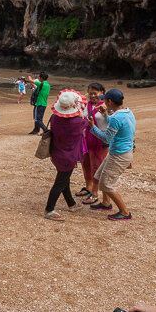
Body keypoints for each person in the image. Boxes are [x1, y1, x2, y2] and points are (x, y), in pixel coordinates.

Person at [85, 88, 135, 221]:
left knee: (107, 184)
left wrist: (92, 127)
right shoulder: (127, 112)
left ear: (110, 102)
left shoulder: (116, 117)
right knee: (100, 176)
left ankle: (125, 212)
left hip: (119, 155)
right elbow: (117, 125)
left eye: (105, 100)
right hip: (122, 152)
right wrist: (106, 115)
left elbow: (106, 139)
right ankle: (106, 203)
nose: (103, 102)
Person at [44, 90, 87, 221]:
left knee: (64, 178)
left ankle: (71, 203)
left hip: (57, 153)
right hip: (68, 156)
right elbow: (85, 123)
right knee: (60, 182)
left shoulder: (55, 118)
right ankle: (49, 209)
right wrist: (81, 115)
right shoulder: (77, 122)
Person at [78, 83, 108, 201]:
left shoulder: (107, 106)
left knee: (96, 166)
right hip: (85, 140)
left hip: (100, 140)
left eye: (95, 93)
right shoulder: (86, 105)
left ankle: (95, 192)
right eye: (90, 93)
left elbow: (113, 122)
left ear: (102, 93)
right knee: (85, 164)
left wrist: (106, 113)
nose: (92, 96)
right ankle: (88, 187)